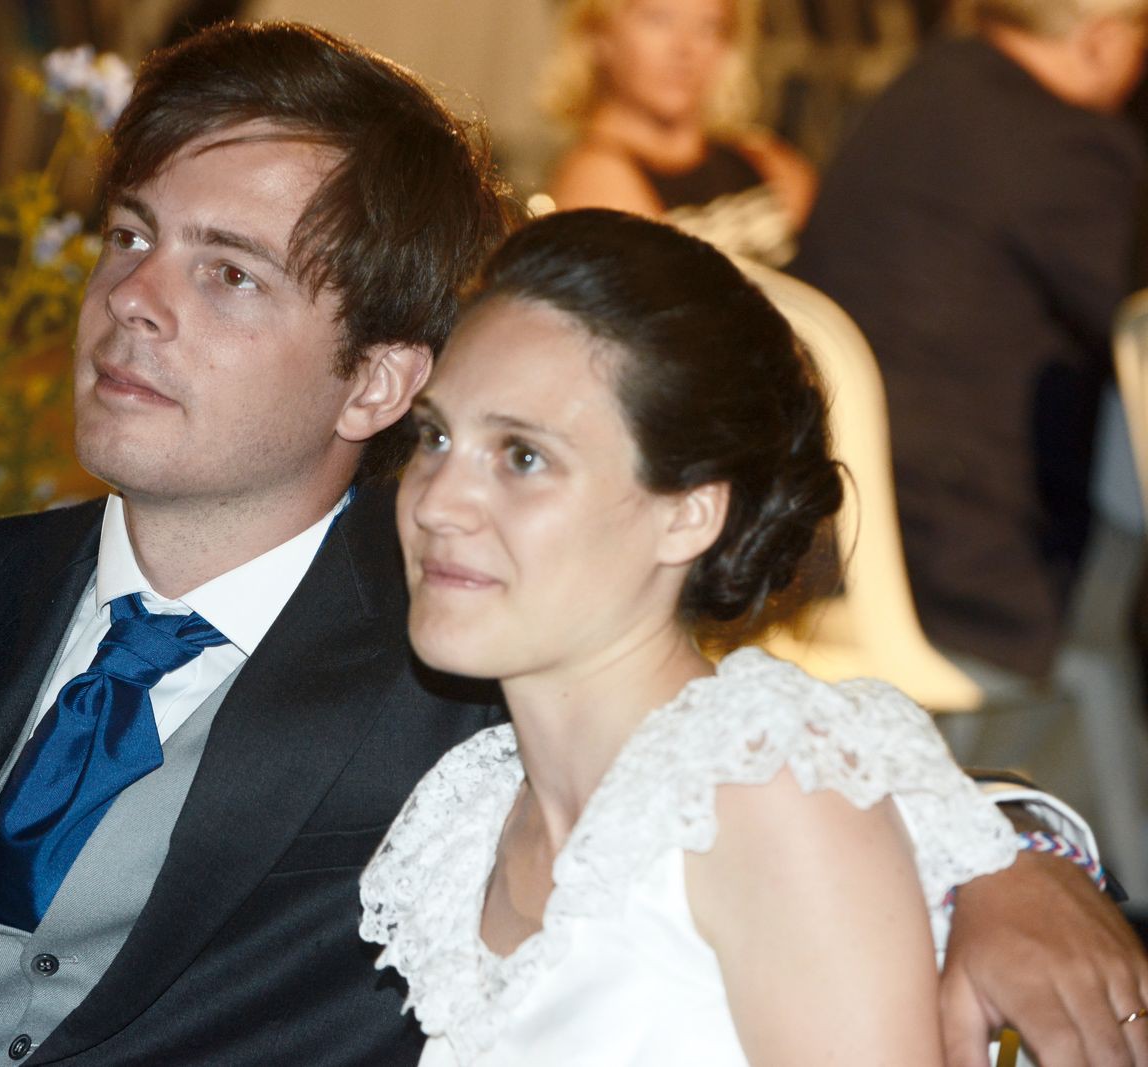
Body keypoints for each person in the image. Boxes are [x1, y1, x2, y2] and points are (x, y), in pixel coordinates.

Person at [0, 20, 1147, 1067]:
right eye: (131, 236)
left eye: (228, 273)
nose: (135, 298)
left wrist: (1018, 857)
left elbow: (739, 764)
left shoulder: (457, 635)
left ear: (376, 381)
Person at [359, 208, 1138, 1066]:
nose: (436, 501)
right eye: (436, 436)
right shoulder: (473, 817)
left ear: (689, 513)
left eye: (523, 456)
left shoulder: (763, 795)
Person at [792, 0, 1147, 687]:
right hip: (961, 567)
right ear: (1102, 41)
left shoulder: (923, 88)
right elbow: (1134, 314)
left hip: (838, 525)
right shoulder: (1063, 142)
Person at [543, 0, 815, 266]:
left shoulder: (762, 157)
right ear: (598, 34)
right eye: (659, 19)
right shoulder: (597, 180)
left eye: (709, 25)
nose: (684, 48)